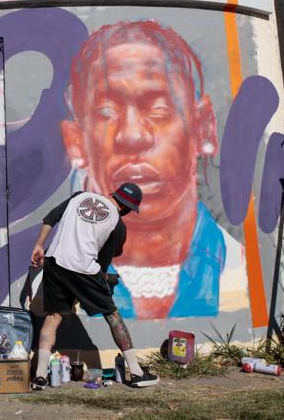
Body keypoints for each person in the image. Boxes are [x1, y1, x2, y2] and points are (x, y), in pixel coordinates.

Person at [60, 20, 226, 319]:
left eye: (159, 108)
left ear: (203, 128)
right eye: (106, 112)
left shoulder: (237, 270)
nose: (133, 135)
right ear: (76, 142)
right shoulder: (65, 274)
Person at [29, 182, 159, 390]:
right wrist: (103, 285)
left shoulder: (80, 197)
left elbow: (51, 218)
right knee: (112, 315)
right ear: (126, 208)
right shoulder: (118, 225)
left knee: (53, 317)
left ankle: (40, 376)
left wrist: (39, 245)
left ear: (113, 194)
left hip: (54, 262)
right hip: (83, 270)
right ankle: (136, 372)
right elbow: (101, 265)